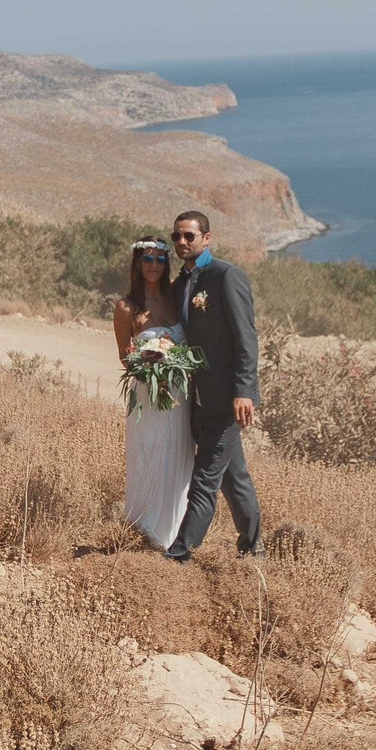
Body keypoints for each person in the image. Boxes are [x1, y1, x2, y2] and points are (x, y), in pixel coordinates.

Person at [165, 212, 262, 561]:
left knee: (205, 478)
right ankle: (254, 547)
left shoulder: (226, 276)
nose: (182, 243)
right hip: (199, 400)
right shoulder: (179, 286)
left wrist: (244, 390)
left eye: (189, 236)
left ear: (207, 238)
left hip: (227, 400)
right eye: (177, 237)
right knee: (234, 479)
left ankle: (179, 554)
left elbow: (245, 337)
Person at [113, 237, 193, 549]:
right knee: (148, 455)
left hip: (178, 394)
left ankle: (174, 531)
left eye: (160, 259)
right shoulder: (126, 307)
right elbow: (123, 354)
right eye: (148, 258)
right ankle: (144, 528)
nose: (154, 265)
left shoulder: (176, 296)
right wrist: (142, 363)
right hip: (147, 394)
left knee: (178, 455)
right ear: (137, 262)